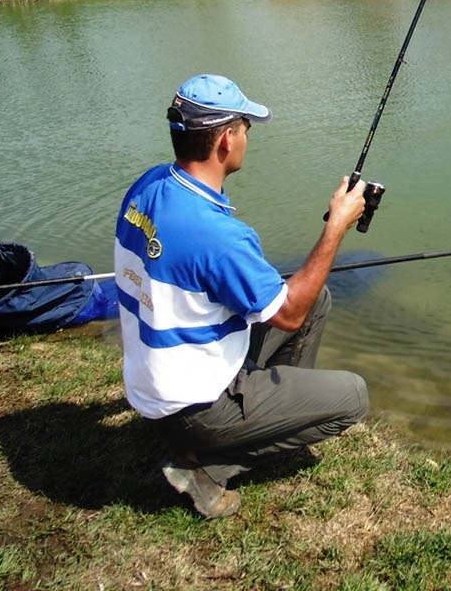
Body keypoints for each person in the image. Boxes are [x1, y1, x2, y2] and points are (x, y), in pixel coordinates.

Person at [114, 73, 369, 519]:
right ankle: (211, 463)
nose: (247, 138)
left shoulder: (149, 186)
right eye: (245, 128)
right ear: (226, 141)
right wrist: (336, 227)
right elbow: (287, 315)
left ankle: (269, 407)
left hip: (152, 387)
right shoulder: (219, 236)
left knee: (317, 299)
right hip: (195, 407)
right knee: (353, 396)